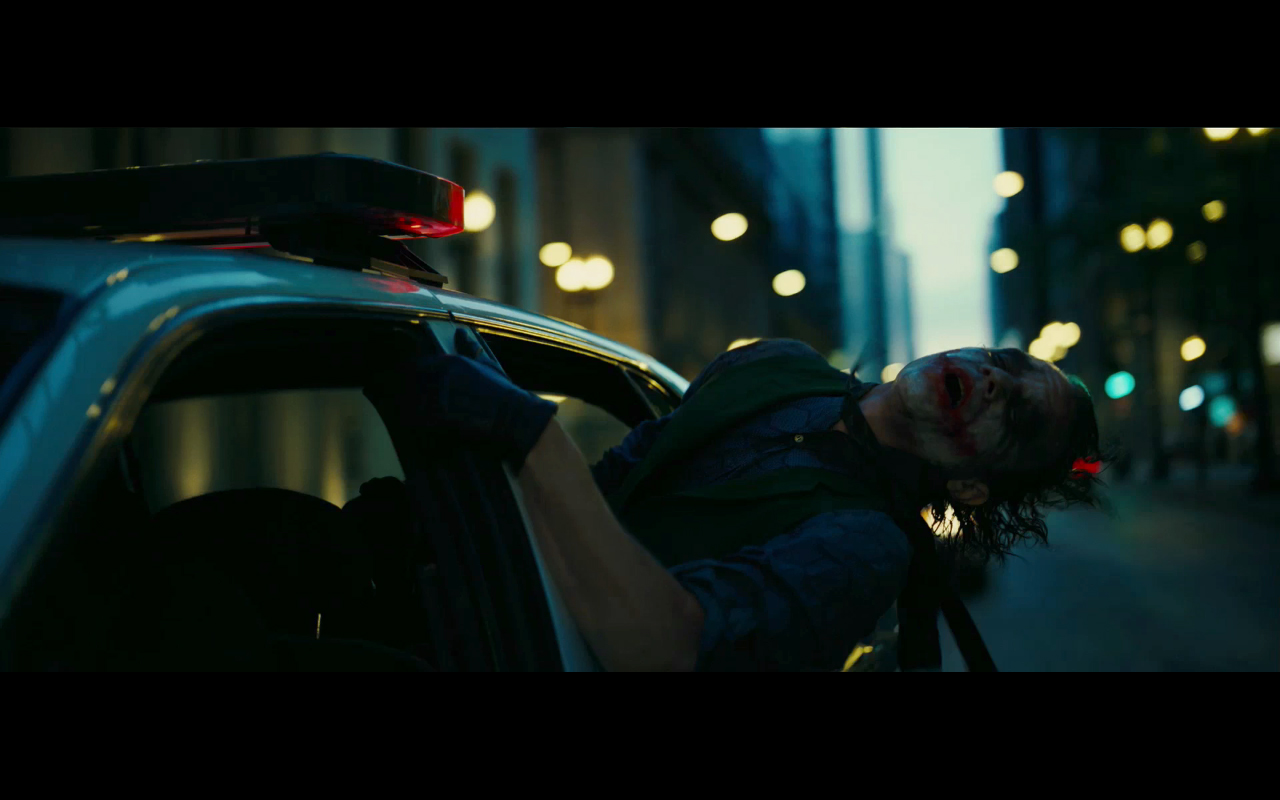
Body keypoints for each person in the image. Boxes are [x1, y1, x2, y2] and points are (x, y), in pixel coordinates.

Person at [366, 333, 1104, 672]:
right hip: (451, 607)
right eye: (1004, 361)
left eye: (1019, 417)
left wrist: (532, 437)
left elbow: (666, 649)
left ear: (970, 489)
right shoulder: (775, 363)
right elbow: (614, 483)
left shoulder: (865, 546)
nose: (997, 380)